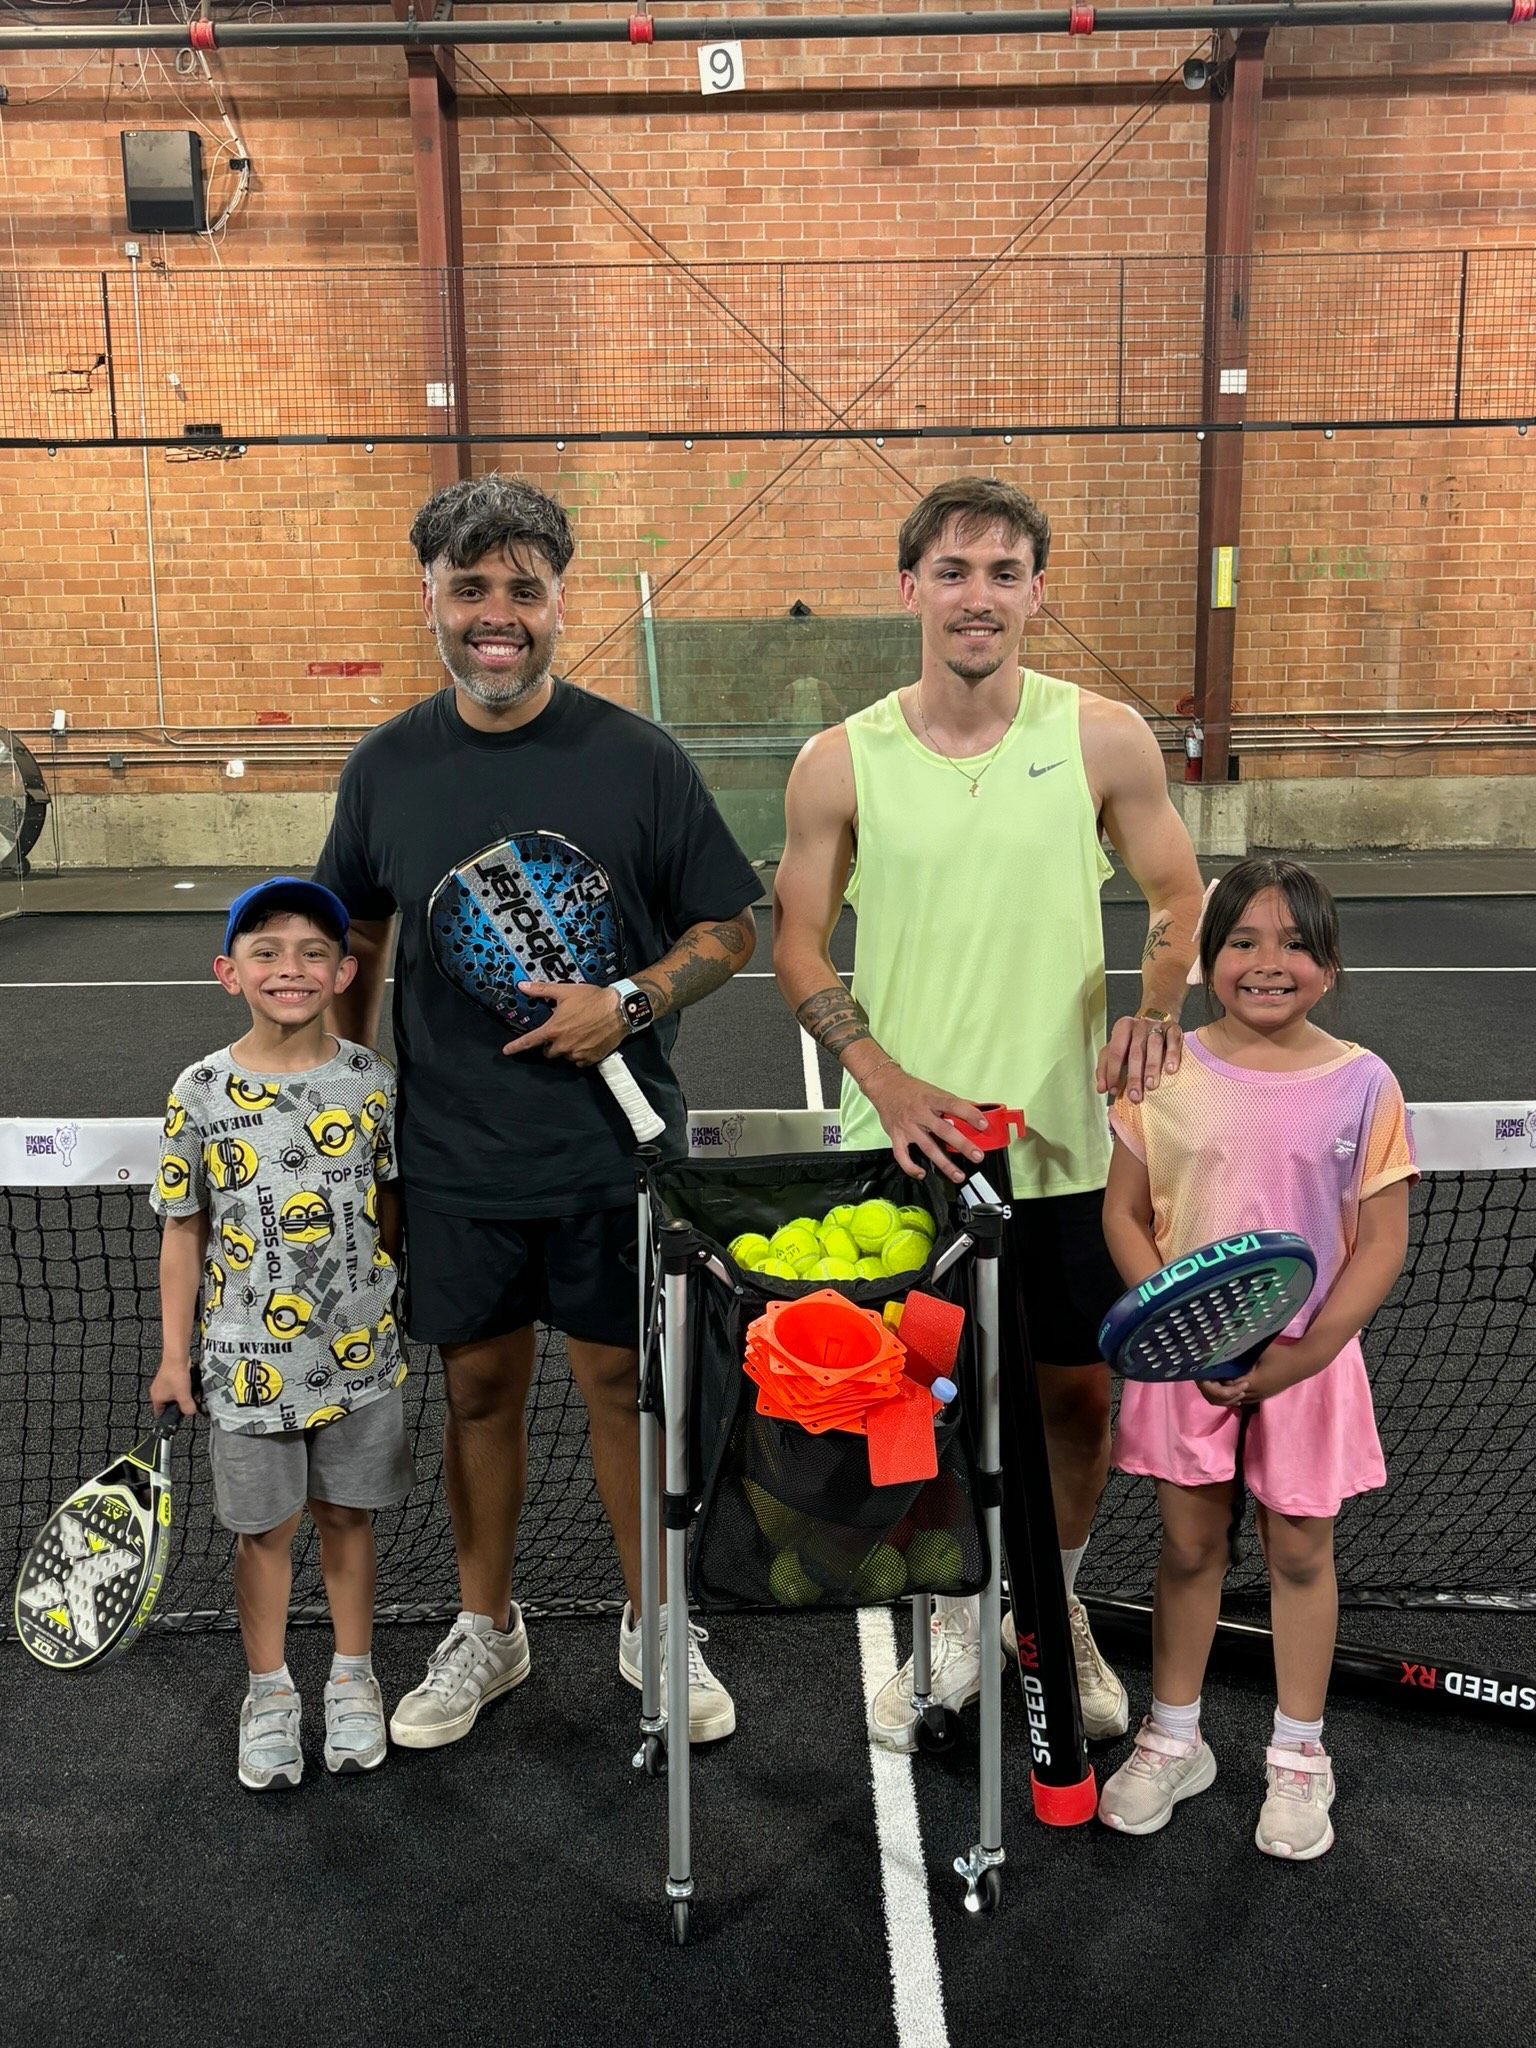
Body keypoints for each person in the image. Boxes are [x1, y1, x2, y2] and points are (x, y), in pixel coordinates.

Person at [315, 474, 761, 1751]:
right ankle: (487, 1630)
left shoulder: (637, 758)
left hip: (614, 1156)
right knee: (476, 1391)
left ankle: (653, 1620)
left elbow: (729, 924)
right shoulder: (387, 766)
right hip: (453, 1158)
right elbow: (355, 932)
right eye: (470, 590)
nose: (495, 615)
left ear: (562, 601)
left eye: (522, 589)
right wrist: (359, 1123)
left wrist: (628, 999)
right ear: (433, 603)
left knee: (626, 1384)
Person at [772, 475, 1206, 1752]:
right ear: (909, 588)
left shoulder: (1104, 737)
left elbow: (1179, 895)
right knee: (914, 1401)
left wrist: (1157, 1002)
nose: (978, 595)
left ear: (1035, 591)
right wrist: (889, 1082)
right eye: (953, 570)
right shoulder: (840, 758)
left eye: (1003, 571)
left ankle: (1051, 1598)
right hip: (906, 1149)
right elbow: (798, 949)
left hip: (1067, 1143)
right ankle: (953, 1609)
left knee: (1077, 1399)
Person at [1099, 858, 1415, 1858]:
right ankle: (1175, 1737)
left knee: (1299, 1553)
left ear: (1328, 965)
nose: (1267, 962)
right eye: (1243, 940)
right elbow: (1123, 1210)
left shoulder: (1365, 1081)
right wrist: (1179, 1325)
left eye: (1294, 943)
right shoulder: (1165, 1070)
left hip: (1309, 1364)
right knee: (1189, 1549)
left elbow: (1383, 1238)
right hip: (1188, 1358)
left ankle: (1298, 1755)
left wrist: (1303, 1353)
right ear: (1206, 957)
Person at [149, 877, 409, 1790]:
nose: (289, 969)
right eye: (266, 952)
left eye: (311, 954)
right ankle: (268, 1691)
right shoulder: (201, 1090)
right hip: (240, 1369)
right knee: (264, 1533)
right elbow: (184, 1228)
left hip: (361, 1364)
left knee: (348, 1519)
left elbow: (386, 1209)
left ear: (343, 972)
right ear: (230, 973)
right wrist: (176, 1357)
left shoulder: (372, 1083)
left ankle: (351, 1677)